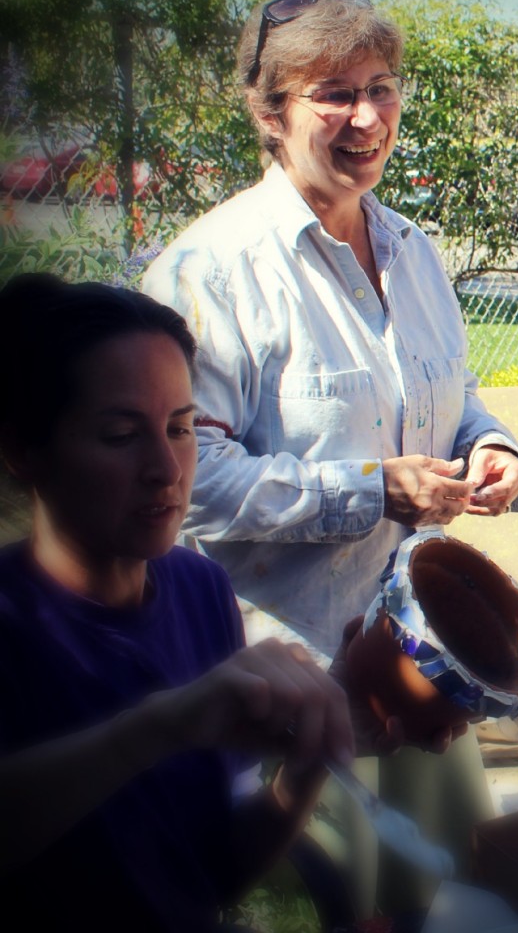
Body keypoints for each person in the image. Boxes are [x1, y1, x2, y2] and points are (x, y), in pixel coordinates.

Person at [142, 0, 518, 916]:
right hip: (291, 696)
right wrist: (373, 492)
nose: (366, 117)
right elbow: (185, 480)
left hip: (422, 672)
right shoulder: (208, 272)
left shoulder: (414, 251)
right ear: (271, 114)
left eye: (383, 88)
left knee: (449, 902)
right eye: (332, 94)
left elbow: (454, 397)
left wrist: (495, 449)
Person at [0, 274, 359, 932]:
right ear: (24, 450)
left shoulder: (199, 590)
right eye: (120, 435)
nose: (167, 468)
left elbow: (213, 870)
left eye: (182, 427)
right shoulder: (14, 624)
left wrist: (306, 768)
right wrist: (161, 725)